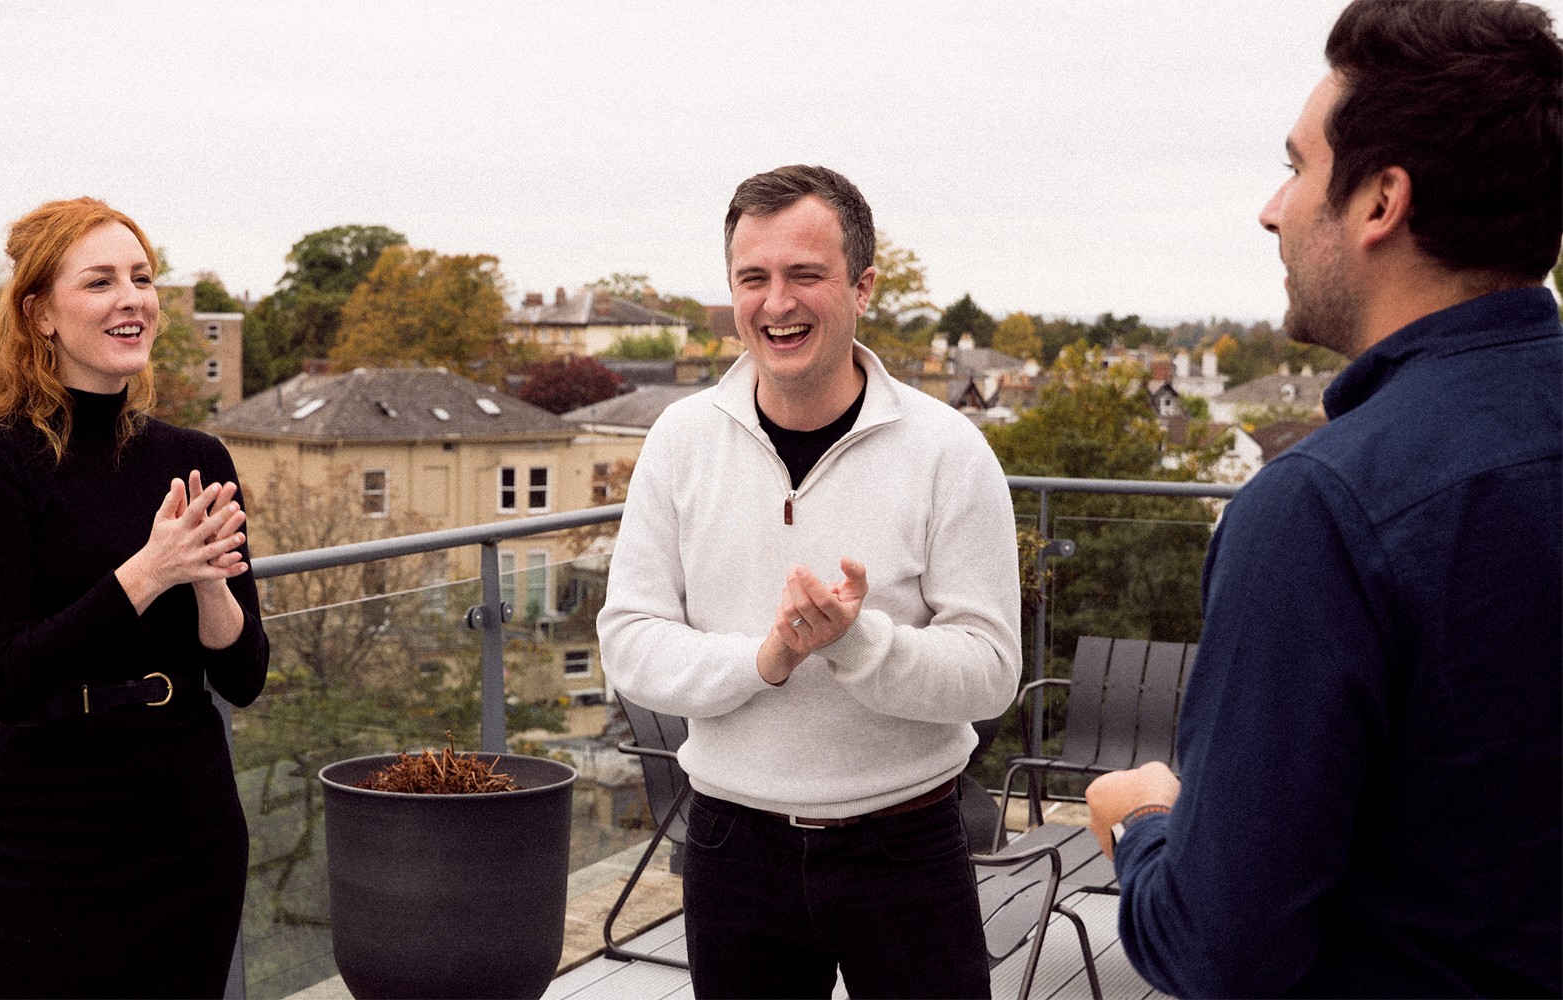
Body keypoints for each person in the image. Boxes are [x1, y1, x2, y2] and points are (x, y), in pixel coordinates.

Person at [1084, 1, 1563, 995]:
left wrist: (1145, 823)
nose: (1273, 207)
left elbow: (1221, 949)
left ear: (1381, 200)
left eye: (1298, 167)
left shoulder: (1323, 511)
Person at [599, 165, 1021, 998]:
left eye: (804, 275)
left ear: (862, 286)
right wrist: (767, 659)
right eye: (751, 278)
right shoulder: (679, 440)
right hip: (730, 851)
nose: (775, 303)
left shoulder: (947, 450)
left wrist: (857, 643)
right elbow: (630, 645)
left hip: (906, 850)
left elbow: (990, 670)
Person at [0, 197, 269, 998]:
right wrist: (148, 571)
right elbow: (7, 680)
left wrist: (208, 584)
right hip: (55, 831)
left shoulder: (194, 453)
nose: (133, 298)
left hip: (188, 815)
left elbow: (245, 676)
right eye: (99, 281)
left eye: (143, 277)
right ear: (40, 314)